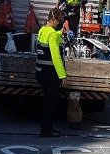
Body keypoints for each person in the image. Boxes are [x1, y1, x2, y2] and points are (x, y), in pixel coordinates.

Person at [36, 8, 67, 138]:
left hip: (40, 71)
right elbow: (56, 57)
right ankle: (46, 130)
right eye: (58, 21)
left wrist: (60, 33)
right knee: (51, 102)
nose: (59, 23)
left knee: (48, 101)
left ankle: (46, 127)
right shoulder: (52, 34)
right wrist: (62, 75)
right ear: (53, 19)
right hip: (50, 73)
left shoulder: (43, 30)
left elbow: (50, 39)